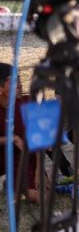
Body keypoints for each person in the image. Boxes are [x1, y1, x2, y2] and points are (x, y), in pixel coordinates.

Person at [0, 63, 39, 203]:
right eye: (13, 82)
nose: (20, 85)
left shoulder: (27, 102)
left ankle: (13, 183)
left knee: (38, 197)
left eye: (19, 79)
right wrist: (13, 138)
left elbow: (39, 138)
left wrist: (38, 171)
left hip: (22, 158)